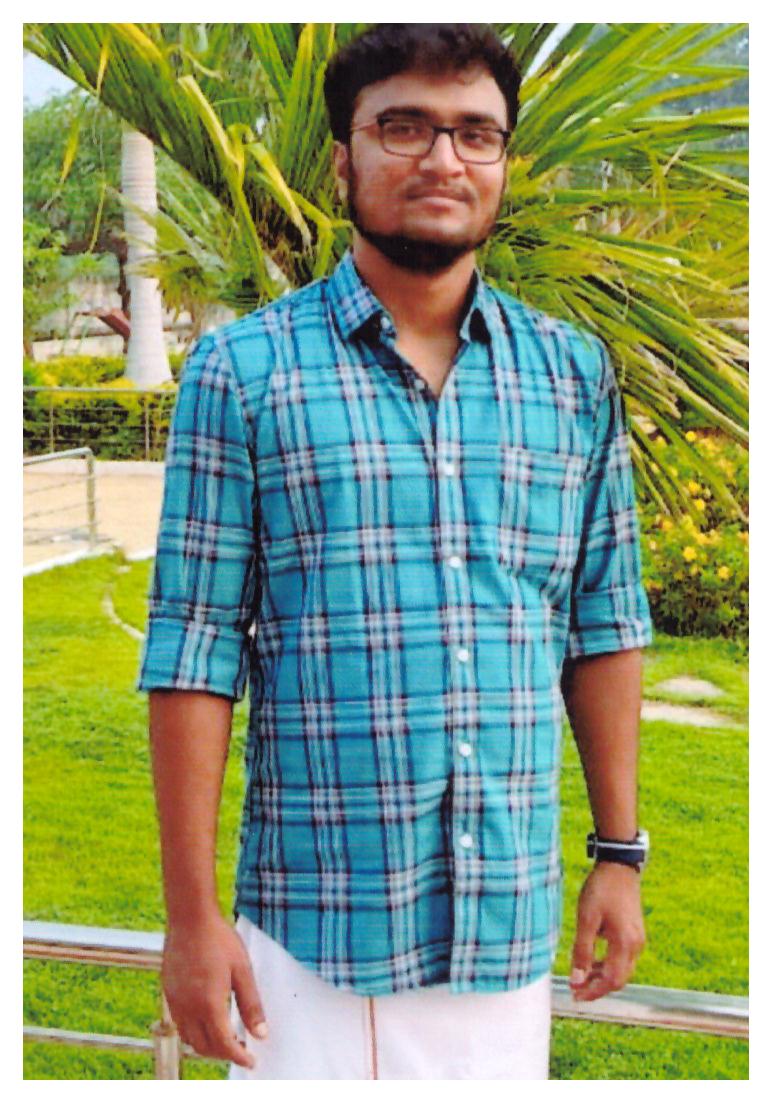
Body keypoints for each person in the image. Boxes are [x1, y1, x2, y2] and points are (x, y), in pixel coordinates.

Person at [137, 23, 653, 1081]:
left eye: (475, 133)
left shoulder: (570, 374)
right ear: (343, 158)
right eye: (404, 127)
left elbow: (603, 620)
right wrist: (191, 918)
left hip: (505, 929)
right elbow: (193, 647)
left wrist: (619, 851)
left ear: (503, 160)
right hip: (313, 937)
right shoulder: (245, 372)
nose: (443, 159)